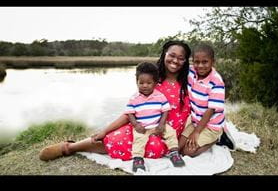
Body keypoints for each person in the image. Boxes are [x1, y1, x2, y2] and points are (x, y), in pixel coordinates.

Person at [39, 40, 192, 162]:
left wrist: (192, 134)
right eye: (172, 55)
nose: (175, 60)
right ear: (164, 54)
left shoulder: (189, 82)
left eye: (180, 58)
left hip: (167, 131)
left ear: (185, 61)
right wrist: (105, 130)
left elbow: (210, 87)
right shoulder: (152, 79)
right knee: (117, 137)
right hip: (142, 125)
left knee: (155, 148)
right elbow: (131, 110)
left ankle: (75, 146)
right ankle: (69, 147)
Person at [178, 43, 235, 157]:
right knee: (178, 147)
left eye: (205, 62)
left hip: (211, 125)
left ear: (212, 62)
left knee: (187, 152)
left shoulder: (216, 82)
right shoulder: (191, 72)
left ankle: (218, 138)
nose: (200, 66)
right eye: (196, 62)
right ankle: (204, 136)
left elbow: (211, 110)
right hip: (195, 121)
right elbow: (176, 68)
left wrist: (196, 132)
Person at [126, 62, 185, 172]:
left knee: (171, 132)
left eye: (149, 83)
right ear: (136, 82)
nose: (144, 85)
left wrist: (162, 124)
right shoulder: (134, 98)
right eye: (141, 83)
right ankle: (138, 159)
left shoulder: (159, 96)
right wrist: (136, 125)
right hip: (142, 127)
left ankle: (174, 153)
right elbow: (130, 113)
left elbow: (165, 110)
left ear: (155, 83)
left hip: (158, 125)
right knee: (138, 139)